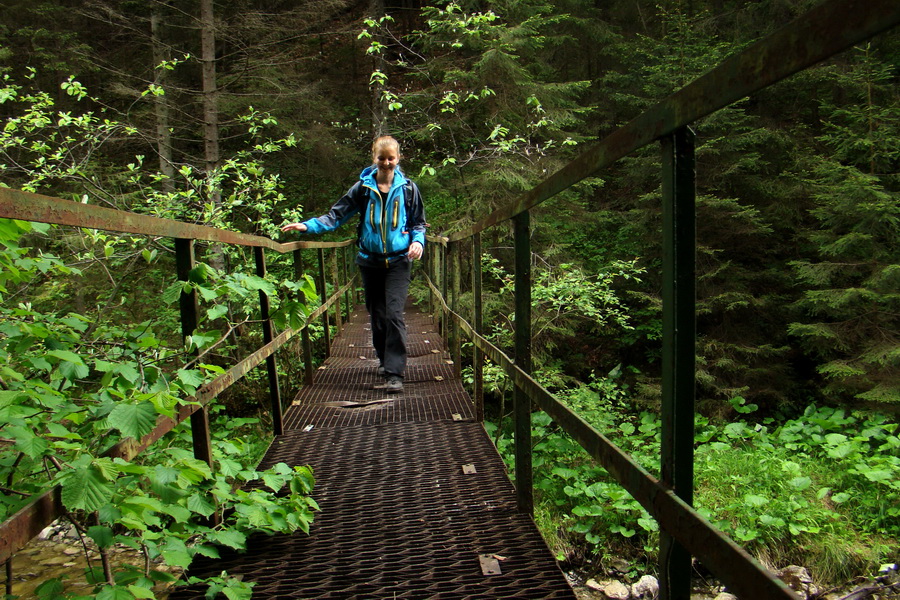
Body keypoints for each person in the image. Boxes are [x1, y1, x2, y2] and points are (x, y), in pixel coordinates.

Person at [281, 136, 426, 393]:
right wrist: (307, 225)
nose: (386, 163)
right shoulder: (362, 188)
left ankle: (395, 373)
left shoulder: (408, 189)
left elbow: (418, 223)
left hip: (399, 261)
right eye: (381, 158)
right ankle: (384, 359)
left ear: (398, 158)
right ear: (374, 158)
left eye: (391, 158)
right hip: (369, 261)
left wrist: (419, 242)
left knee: (394, 314)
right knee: (378, 315)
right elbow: (335, 215)